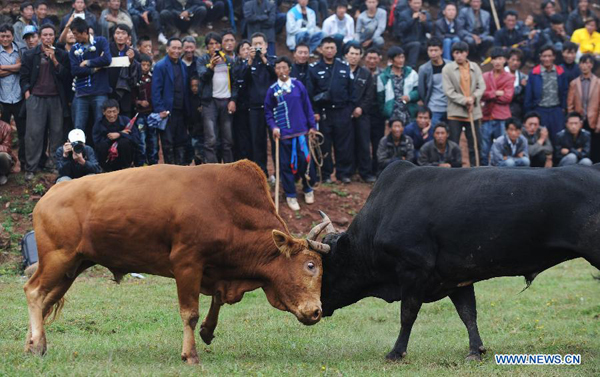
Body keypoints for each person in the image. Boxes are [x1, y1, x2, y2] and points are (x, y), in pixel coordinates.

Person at [265, 56, 318, 210]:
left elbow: (307, 106)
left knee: (305, 162)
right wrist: (273, 127)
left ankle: (308, 189)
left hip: (301, 133)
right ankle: (290, 195)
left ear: (289, 68)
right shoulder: (272, 90)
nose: (281, 71)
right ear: (275, 71)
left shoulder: (298, 85)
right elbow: (268, 112)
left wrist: (312, 126)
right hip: (283, 136)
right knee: (285, 166)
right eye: (278, 68)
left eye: (284, 67)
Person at [20, 24, 70, 180]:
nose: (48, 38)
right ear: (40, 37)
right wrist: (28, 93)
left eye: (50, 35)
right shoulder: (30, 54)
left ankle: (55, 164)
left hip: (56, 98)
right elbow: (23, 77)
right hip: (36, 98)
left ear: (54, 37)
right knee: (33, 134)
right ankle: (31, 168)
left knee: (56, 133)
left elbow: (66, 77)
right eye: (45, 35)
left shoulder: (61, 54)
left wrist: (54, 59)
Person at [307, 36, 355, 184]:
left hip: (342, 111)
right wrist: (314, 112)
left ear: (336, 50)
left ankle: (343, 173)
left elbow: (351, 90)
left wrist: (349, 110)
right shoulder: (314, 69)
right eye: (326, 48)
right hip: (324, 113)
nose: (329, 50)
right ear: (321, 50)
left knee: (343, 144)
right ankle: (326, 174)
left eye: (332, 48)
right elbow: (310, 92)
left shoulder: (344, 67)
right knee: (325, 144)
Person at [442, 41, 486, 167]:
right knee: (454, 143)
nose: (459, 56)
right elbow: (448, 91)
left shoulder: (475, 67)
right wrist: (465, 100)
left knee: (475, 143)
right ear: (452, 54)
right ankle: (455, 170)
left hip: (473, 111)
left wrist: (473, 98)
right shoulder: (447, 69)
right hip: (455, 112)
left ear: (466, 53)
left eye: (462, 53)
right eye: (456, 53)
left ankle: (476, 168)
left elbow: (481, 86)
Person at [239, 32, 277, 175]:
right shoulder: (247, 63)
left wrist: (263, 59)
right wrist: (250, 61)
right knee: (258, 142)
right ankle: (262, 173)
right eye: (255, 44)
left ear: (266, 46)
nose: (258, 47)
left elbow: (276, 75)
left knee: (275, 141)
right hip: (254, 108)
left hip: (272, 107)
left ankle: (279, 172)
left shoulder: (272, 61)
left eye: (260, 44)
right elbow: (242, 80)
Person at [197, 33, 236, 164]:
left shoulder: (229, 61)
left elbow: (236, 82)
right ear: (207, 47)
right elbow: (202, 76)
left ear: (221, 45)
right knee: (211, 140)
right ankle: (213, 172)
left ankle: (229, 171)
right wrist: (211, 67)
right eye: (211, 44)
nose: (214, 47)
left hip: (226, 101)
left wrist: (233, 100)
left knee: (228, 140)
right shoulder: (202, 60)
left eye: (217, 44)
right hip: (210, 102)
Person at [69, 17, 112, 133]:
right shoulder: (73, 49)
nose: (74, 37)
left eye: (76, 34)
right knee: (78, 128)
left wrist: (88, 62)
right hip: (81, 93)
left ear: (85, 32)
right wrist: (95, 68)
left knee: (101, 125)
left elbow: (107, 59)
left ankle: (101, 151)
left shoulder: (101, 41)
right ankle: (78, 151)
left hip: (100, 92)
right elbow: (75, 71)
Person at [152, 37, 190, 165]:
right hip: (167, 113)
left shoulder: (183, 66)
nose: (177, 51)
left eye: (179, 48)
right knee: (168, 145)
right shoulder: (160, 66)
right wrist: (160, 110)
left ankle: (181, 174)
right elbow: (156, 90)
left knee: (181, 144)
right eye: (174, 48)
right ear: (168, 48)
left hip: (181, 112)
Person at [524, 45, 568, 143]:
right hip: (540, 110)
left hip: (556, 110)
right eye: (544, 56)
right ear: (540, 57)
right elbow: (528, 94)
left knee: (558, 138)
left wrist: (563, 108)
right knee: (540, 137)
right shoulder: (534, 73)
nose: (547, 59)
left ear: (554, 57)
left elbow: (565, 92)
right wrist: (529, 113)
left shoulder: (560, 72)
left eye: (549, 56)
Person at [346, 44, 376, 183]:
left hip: (362, 114)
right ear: (346, 55)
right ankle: (347, 172)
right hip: (345, 113)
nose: (354, 56)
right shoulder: (341, 71)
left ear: (360, 56)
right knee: (347, 143)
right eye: (351, 53)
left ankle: (365, 172)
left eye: (357, 54)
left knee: (364, 143)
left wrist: (361, 108)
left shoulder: (365, 73)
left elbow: (370, 95)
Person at [480, 47, 514, 166]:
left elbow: (508, 97)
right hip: (487, 116)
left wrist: (489, 94)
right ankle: (483, 172)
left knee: (502, 148)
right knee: (484, 149)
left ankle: (501, 173)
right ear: (491, 61)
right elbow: (481, 94)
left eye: (500, 59)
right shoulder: (485, 76)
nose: (497, 62)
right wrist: (496, 93)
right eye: (494, 59)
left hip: (502, 116)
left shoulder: (509, 77)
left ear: (505, 60)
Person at [0, 24, 25, 170]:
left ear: (12, 36)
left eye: (7, 36)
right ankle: (5, 165)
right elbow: (18, 68)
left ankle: (22, 162)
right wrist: (14, 68)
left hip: (18, 98)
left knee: (22, 132)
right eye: (2, 36)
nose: (5, 39)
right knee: (2, 134)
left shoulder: (20, 50)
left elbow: (23, 67)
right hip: (2, 99)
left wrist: (3, 67)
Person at [567, 54, 600, 162]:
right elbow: (570, 105)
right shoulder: (574, 83)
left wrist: (599, 123)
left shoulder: (598, 83)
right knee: (580, 149)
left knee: (595, 149)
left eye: (587, 63)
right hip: (579, 120)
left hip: (594, 121)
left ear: (592, 65)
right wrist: (572, 121)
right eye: (582, 63)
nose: (585, 65)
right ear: (579, 65)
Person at [93, 99, 140, 171]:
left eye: (114, 111)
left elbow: (136, 139)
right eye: (109, 112)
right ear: (103, 112)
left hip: (124, 157)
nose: (112, 115)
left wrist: (120, 134)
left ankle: (127, 167)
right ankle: (105, 170)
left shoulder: (126, 121)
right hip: (107, 158)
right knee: (102, 146)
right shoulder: (99, 124)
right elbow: (96, 143)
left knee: (124, 142)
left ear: (118, 111)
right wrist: (109, 139)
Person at [377, 46, 419, 125]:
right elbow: (380, 99)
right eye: (398, 58)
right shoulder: (383, 77)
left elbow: (418, 91)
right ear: (391, 60)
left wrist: (410, 97)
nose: (401, 60)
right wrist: (385, 112)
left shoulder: (411, 73)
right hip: (393, 114)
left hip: (408, 112)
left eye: (402, 57)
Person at [107, 24, 140, 118]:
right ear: (113, 35)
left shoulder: (134, 53)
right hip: (109, 93)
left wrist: (132, 61)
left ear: (129, 37)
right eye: (117, 33)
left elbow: (136, 76)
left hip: (126, 96)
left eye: (123, 33)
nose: (120, 36)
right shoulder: (107, 50)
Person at [418, 38, 449, 128]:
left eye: (436, 50)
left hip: (450, 107)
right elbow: (422, 90)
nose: (433, 53)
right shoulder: (424, 69)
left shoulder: (450, 66)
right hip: (434, 107)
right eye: (430, 50)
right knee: (434, 133)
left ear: (441, 51)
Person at [134, 54, 158, 165]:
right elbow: (130, 97)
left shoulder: (153, 79)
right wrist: (139, 102)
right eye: (143, 65)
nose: (145, 67)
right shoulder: (135, 79)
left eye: (148, 65)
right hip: (140, 115)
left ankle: (153, 163)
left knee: (152, 140)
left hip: (152, 114)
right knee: (141, 140)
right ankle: (141, 163)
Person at [394, 0, 432, 68]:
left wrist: (424, 22)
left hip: (422, 42)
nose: (417, 5)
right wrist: (412, 19)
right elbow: (401, 29)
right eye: (415, 3)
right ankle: (411, 67)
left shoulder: (425, 14)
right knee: (416, 45)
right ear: (410, 3)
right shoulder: (403, 14)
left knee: (433, 46)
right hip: (407, 43)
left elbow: (430, 30)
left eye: (418, 3)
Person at [365, 47, 384, 176]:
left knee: (378, 142)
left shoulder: (383, 75)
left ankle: (377, 169)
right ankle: (364, 169)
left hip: (379, 113)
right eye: (369, 58)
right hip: (364, 113)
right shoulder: (361, 72)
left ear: (379, 59)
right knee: (363, 142)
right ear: (365, 58)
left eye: (374, 58)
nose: (372, 61)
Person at [505, 48, 527, 120]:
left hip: (517, 111)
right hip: (502, 110)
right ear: (507, 60)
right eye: (513, 60)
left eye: (518, 60)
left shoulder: (523, 77)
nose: (515, 63)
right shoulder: (500, 74)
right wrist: (521, 87)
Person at [188, 76, 203, 164]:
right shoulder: (188, 99)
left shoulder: (203, 99)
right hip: (192, 130)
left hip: (202, 131)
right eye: (192, 86)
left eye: (196, 86)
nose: (194, 88)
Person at [0, 105, 16, 185]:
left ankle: (2, 174)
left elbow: (7, 147)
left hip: (1, 153)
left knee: (3, 155)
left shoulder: (6, 127)